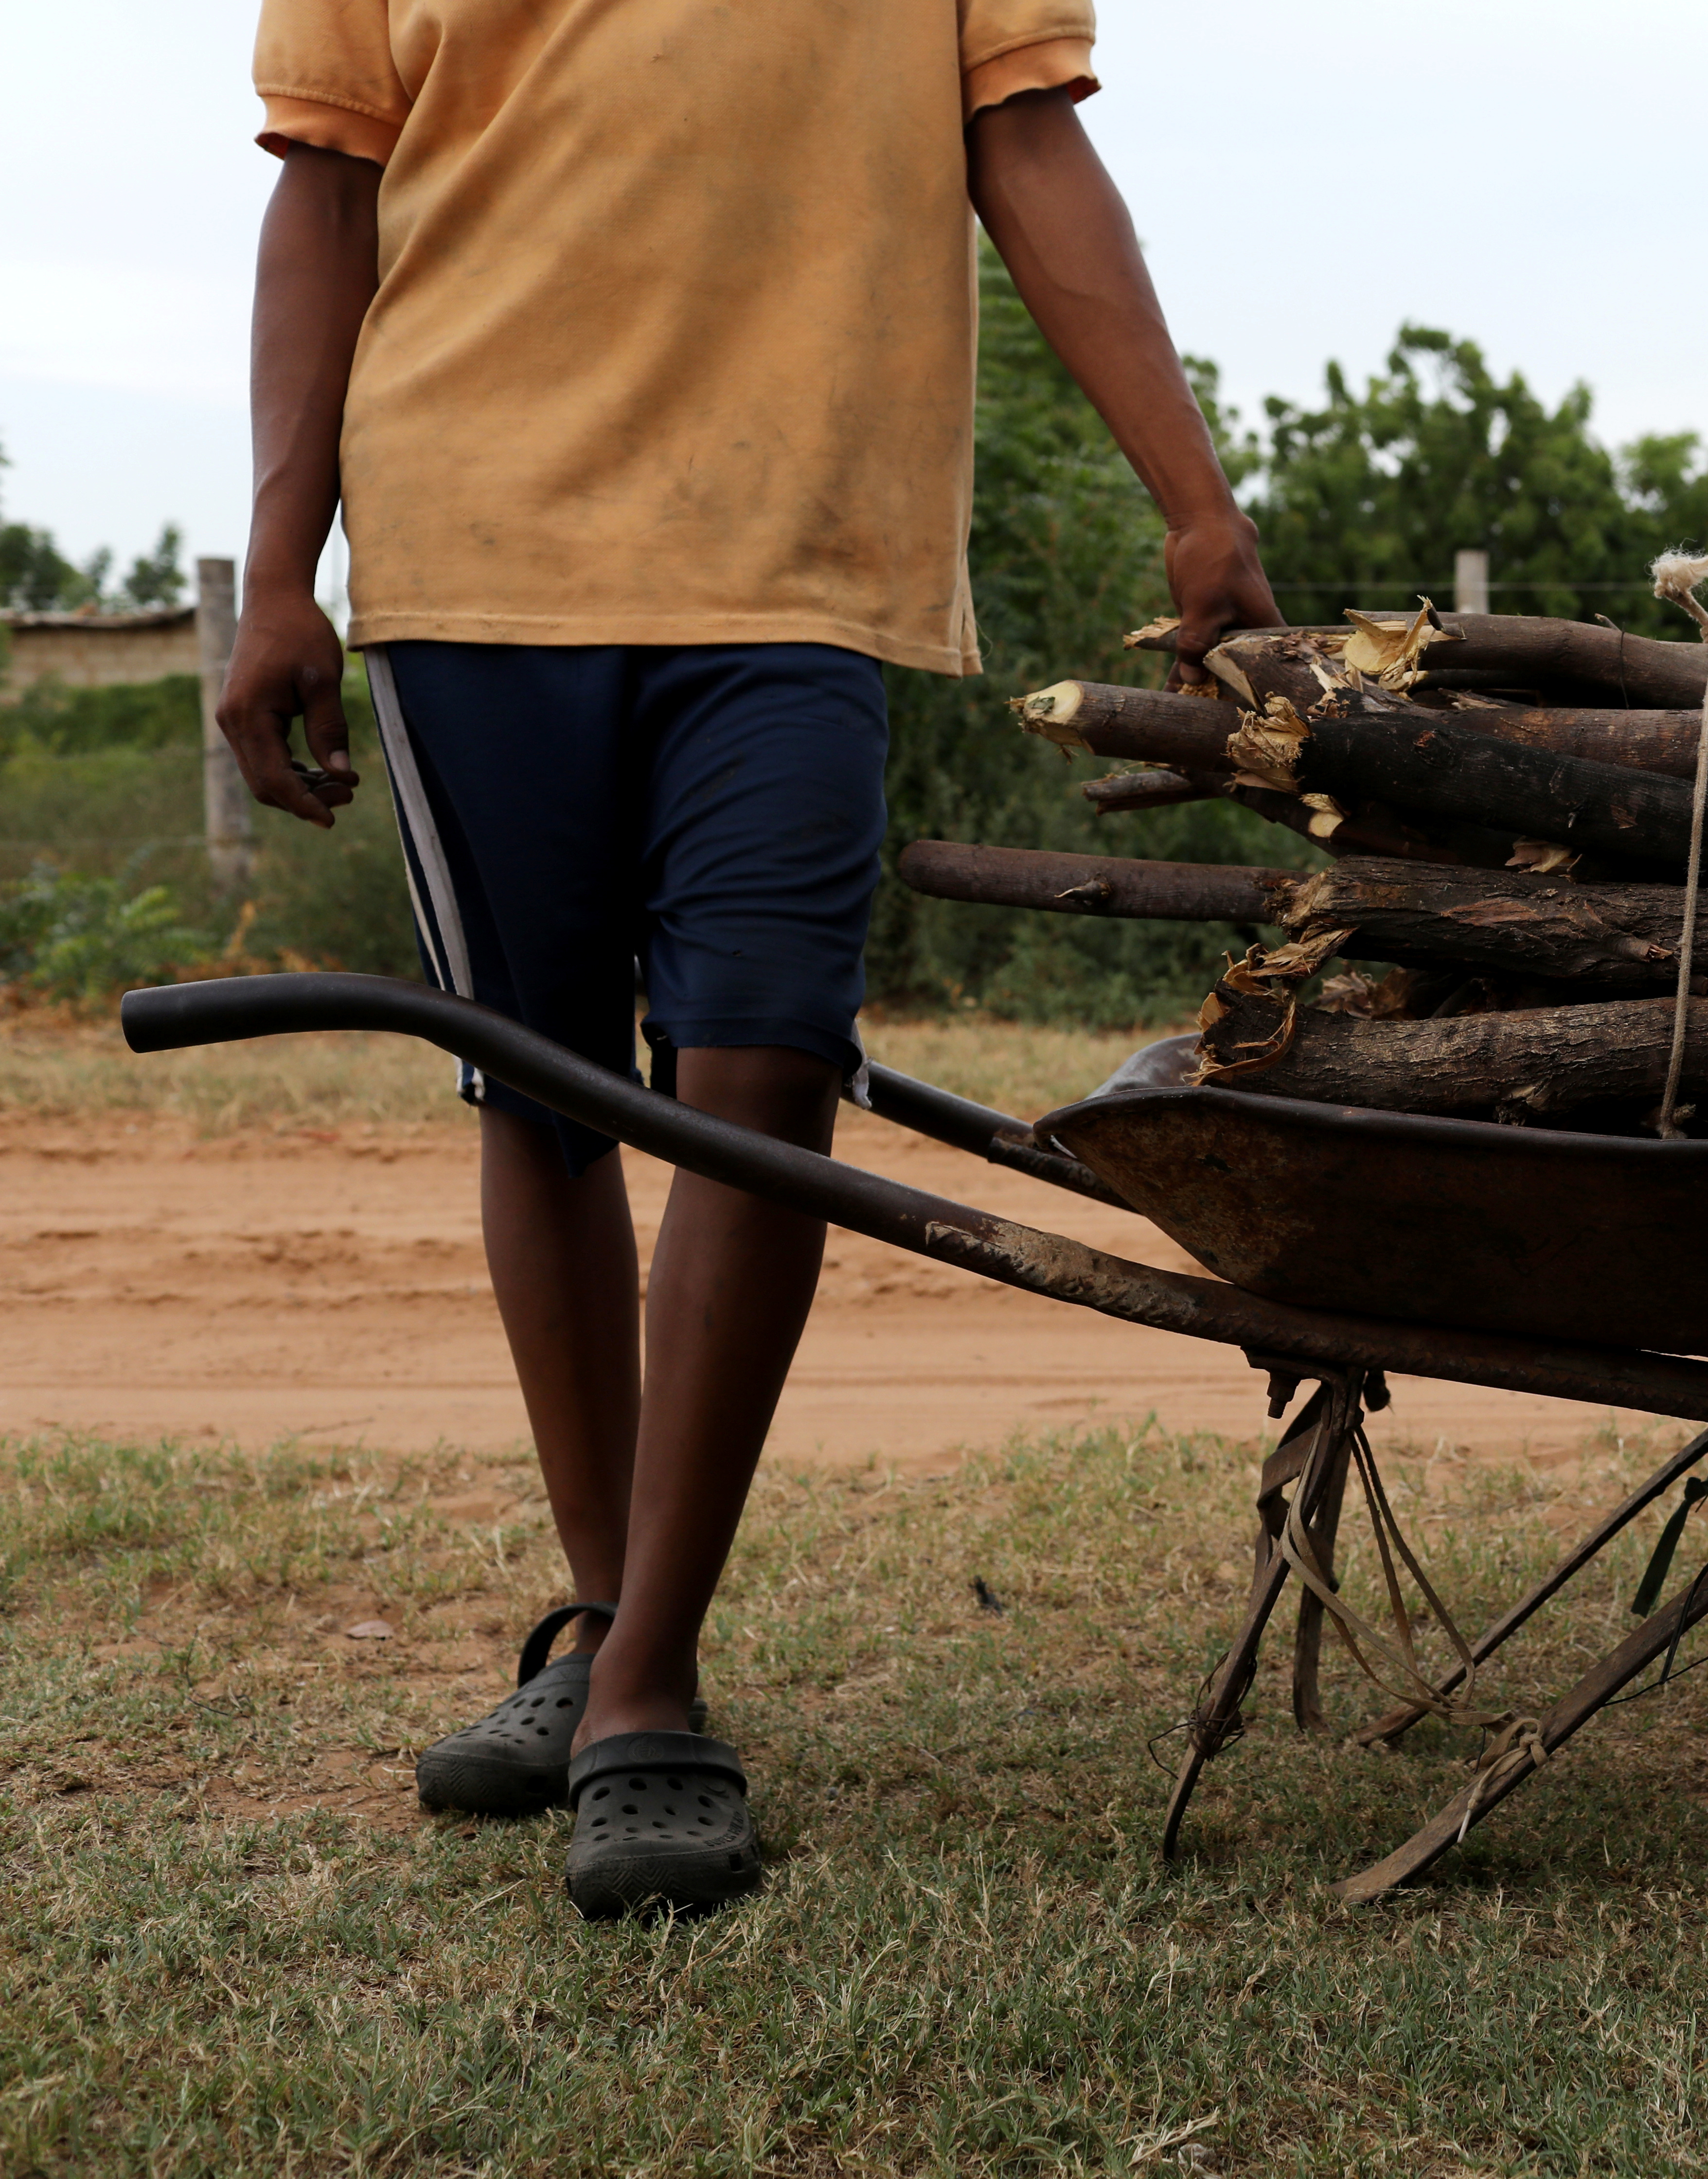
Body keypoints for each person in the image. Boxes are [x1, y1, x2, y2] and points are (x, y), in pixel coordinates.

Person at [218, 0, 1275, 1917]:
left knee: (761, 1072)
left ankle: (643, 1687)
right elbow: (327, 192)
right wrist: (281, 563)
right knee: (539, 1096)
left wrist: (1193, 495)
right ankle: (614, 1612)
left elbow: (1029, 143)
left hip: (799, 559)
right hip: (479, 554)